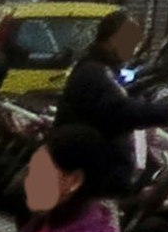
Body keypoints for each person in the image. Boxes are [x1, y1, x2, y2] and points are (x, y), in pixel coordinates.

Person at [53, 12, 149, 196]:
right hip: (91, 179)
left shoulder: (103, 68)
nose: (134, 49)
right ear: (112, 39)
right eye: (131, 42)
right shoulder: (96, 72)